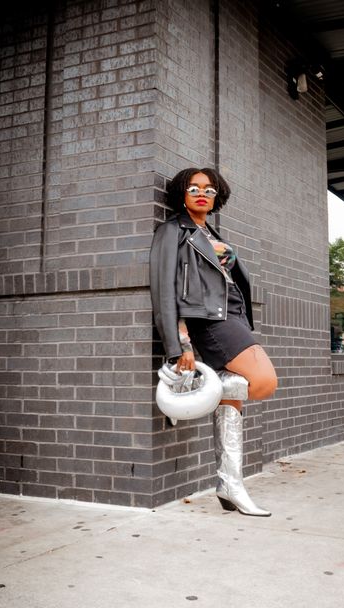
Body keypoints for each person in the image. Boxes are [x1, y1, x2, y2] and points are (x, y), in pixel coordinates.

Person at [150, 167, 278, 516]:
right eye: (193, 188)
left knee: (234, 396)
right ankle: (189, 385)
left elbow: (228, 281)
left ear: (217, 194)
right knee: (264, 382)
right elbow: (165, 290)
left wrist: (232, 263)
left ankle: (230, 484)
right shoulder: (173, 231)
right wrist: (180, 346)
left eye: (208, 188)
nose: (201, 193)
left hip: (233, 318)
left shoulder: (212, 232)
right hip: (210, 323)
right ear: (182, 195)